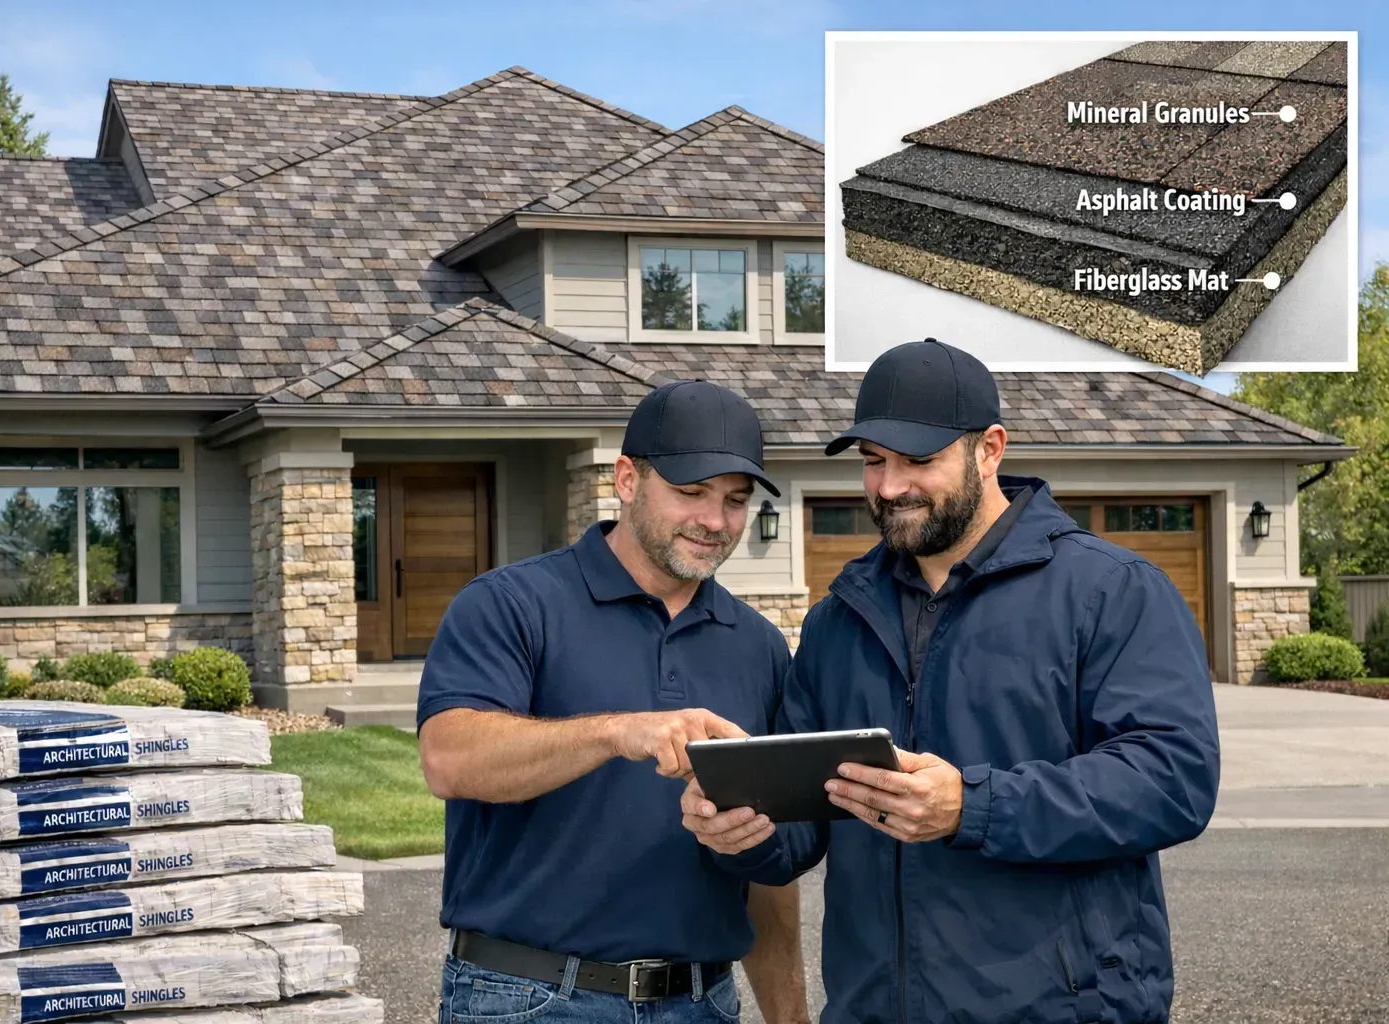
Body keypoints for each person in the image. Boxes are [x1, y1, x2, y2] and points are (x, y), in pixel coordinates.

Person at [682, 339, 1221, 1024]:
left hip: (1064, 1009)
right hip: (874, 1008)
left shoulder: (1110, 592)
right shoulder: (837, 622)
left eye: (918, 460)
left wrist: (973, 806)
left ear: (989, 450)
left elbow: (1173, 781)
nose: (889, 486)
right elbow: (799, 825)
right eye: (874, 462)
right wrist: (742, 829)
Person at [417, 379, 811, 1024]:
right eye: (690, 493)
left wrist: (790, 1017)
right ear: (627, 480)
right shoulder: (510, 604)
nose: (715, 522)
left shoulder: (759, 644)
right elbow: (450, 760)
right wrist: (614, 732)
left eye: (735, 501)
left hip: (702, 1002)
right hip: (530, 998)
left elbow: (768, 866)